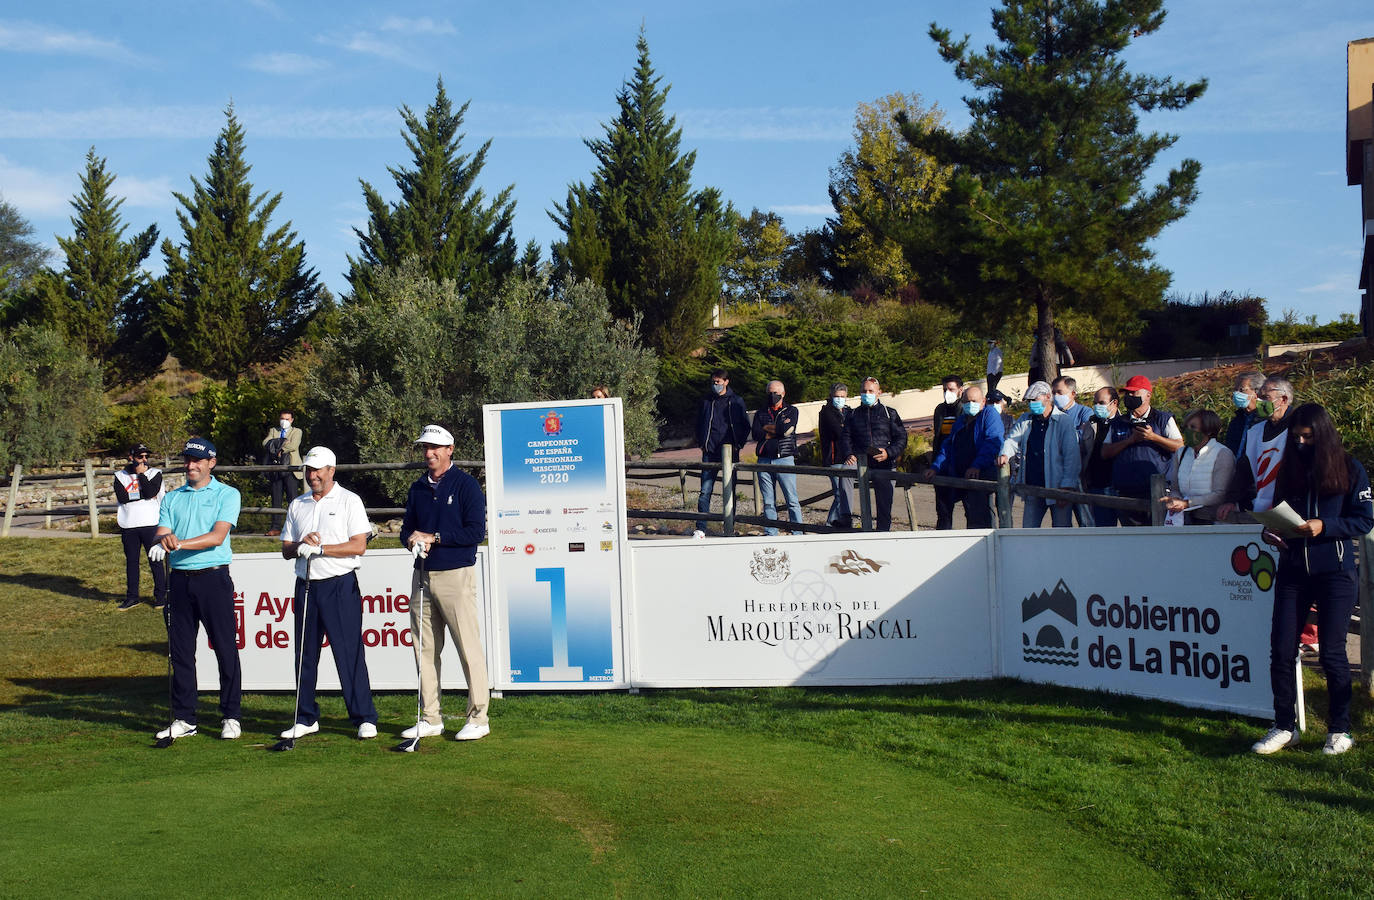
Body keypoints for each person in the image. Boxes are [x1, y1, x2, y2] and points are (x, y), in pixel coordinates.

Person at [1251, 404, 1372, 757]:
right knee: (1281, 650)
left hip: (1335, 572)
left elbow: (1363, 520)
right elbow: (1275, 513)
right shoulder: (1287, 468)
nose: (1302, 442)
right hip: (1291, 570)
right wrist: (1270, 533)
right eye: (1297, 437)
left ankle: (1340, 729)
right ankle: (1284, 726)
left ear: (1324, 434)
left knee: (1333, 654)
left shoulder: (1350, 468)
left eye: (1308, 436)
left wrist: (1325, 526)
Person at [278, 446, 379, 741]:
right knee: (305, 655)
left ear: (331, 470)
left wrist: (321, 549)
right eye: (309, 470)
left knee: (349, 654)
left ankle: (364, 717)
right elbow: (286, 549)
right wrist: (300, 545)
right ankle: (306, 716)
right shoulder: (298, 504)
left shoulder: (349, 500)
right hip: (306, 585)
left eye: (318, 470)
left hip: (339, 585)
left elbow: (358, 545)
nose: (313, 475)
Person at [147, 438, 242, 741]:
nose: (191, 465)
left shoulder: (227, 494)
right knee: (181, 652)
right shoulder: (173, 498)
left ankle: (230, 716)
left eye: (197, 460)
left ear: (211, 463)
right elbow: (161, 533)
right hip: (180, 581)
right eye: (187, 460)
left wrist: (178, 544)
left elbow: (217, 536)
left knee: (225, 649)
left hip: (213, 579)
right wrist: (163, 542)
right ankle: (185, 717)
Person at [400, 424, 490, 742]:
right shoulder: (417, 489)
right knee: (424, 649)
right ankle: (431, 718)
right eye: (425, 447)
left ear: (450, 449)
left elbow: (475, 532)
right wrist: (411, 539)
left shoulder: (465, 486)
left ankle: (479, 718)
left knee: (468, 648)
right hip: (422, 575)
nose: (429, 453)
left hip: (456, 576)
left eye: (435, 447)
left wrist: (435, 538)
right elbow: (406, 529)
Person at [1101, 375, 1183, 526]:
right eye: (1127, 393)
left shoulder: (1163, 419)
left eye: (1133, 393)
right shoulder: (1118, 422)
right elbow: (1105, 452)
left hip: (1157, 493)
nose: (1129, 397)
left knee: (1158, 540)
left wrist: (1153, 437)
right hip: (1126, 492)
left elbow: (1179, 446)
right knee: (1133, 541)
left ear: (1148, 395)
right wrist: (1129, 441)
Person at [999, 381, 1081, 528]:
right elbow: (1012, 440)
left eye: (1034, 400)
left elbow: (1071, 456)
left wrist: (1067, 486)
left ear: (1047, 397)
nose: (1030, 404)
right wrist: (1005, 454)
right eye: (1029, 401)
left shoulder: (1064, 421)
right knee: (1029, 532)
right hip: (1033, 487)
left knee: (1062, 532)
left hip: (1057, 488)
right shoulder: (1026, 419)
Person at [926, 385, 1003, 528]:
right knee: (945, 507)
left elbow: (992, 443)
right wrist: (935, 467)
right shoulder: (961, 420)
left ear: (983, 401)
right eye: (966, 401)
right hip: (959, 473)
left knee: (978, 515)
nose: (970, 405)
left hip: (980, 473)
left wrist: (977, 465)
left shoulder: (989, 415)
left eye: (974, 401)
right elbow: (948, 447)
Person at [844, 377, 908, 531]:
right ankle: (850, 523)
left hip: (884, 464)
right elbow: (845, 437)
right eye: (864, 391)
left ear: (879, 393)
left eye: (870, 391)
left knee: (884, 505)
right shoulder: (853, 415)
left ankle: (882, 534)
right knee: (848, 479)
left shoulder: (889, 413)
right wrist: (848, 453)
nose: (867, 394)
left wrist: (888, 453)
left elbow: (902, 438)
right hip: (861, 463)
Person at [694, 369, 751, 536]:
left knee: (730, 489)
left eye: (718, 382)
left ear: (726, 382)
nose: (715, 385)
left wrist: (738, 444)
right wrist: (701, 442)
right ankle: (701, 528)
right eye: (713, 382)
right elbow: (698, 423)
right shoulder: (706, 401)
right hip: (709, 451)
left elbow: (745, 425)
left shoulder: (737, 401)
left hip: (730, 453)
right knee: (705, 490)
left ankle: (729, 526)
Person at [113, 443, 167, 612]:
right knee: (132, 563)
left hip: (151, 524)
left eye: (146, 457)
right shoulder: (120, 476)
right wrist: (141, 494)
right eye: (139, 457)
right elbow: (122, 497)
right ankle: (132, 597)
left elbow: (151, 492)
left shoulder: (155, 473)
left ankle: (161, 597)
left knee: (156, 561)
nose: (144, 460)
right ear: (131, 457)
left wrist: (142, 476)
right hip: (129, 525)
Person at [1160, 410, 1236, 524]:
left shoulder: (1223, 453)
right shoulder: (1181, 453)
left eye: (1193, 427)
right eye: (1186, 427)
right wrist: (1175, 499)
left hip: (1213, 521)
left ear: (1209, 430)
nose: (1188, 431)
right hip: (1183, 519)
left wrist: (1187, 503)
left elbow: (1220, 494)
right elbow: (1175, 488)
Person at [752, 380, 803, 536]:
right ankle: (771, 532)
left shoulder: (791, 411)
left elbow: (788, 430)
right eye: (769, 392)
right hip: (764, 460)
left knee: (792, 499)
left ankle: (798, 531)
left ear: (783, 393)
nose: (772, 395)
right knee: (768, 501)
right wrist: (778, 430)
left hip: (785, 458)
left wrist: (768, 430)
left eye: (775, 392)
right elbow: (756, 434)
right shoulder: (760, 413)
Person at [1080, 387, 1120, 527]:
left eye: (1101, 402)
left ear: (1114, 403)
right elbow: (1083, 452)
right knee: (1103, 531)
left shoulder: (1124, 424)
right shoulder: (1090, 424)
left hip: (1120, 486)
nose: (1097, 406)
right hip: (1097, 484)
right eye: (1095, 402)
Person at [931, 376, 965, 530]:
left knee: (970, 507)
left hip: (960, 465)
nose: (947, 393)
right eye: (945, 390)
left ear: (960, 390)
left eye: (951, 389)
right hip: (941, 465)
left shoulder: (965, 408)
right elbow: (938, 437)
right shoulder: (940, 409)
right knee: (943, 510)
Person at [818, 382, 853, 530]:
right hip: (834, 458)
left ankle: (835, 524)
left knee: (843, 494)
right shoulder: (826, 412)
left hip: (847, 458)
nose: (840, 399)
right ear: (831, 396)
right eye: (837, 396)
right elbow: (839, 432)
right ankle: (831, 525)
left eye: (843, 396)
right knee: (840, 494)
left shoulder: (849, 412)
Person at [263, 410, 303, 536]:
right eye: (282, 418)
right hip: (276, 468)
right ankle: (275, 527)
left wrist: (276, 447)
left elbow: (294, 446)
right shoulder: (273, 430)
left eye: (287, 419)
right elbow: (265, 443)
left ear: (291, 420)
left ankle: (296, 527)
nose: (284, 421)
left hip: (291, 469)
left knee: (293, 499)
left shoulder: (297, 431)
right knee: (276, 498)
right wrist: (282, 443)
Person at [1223, 371, 1266, 458]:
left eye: (1241, 389)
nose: (1236, 393)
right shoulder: (1236, 421)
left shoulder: (1266, 419)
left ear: (1257, 393)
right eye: (1235, 389)